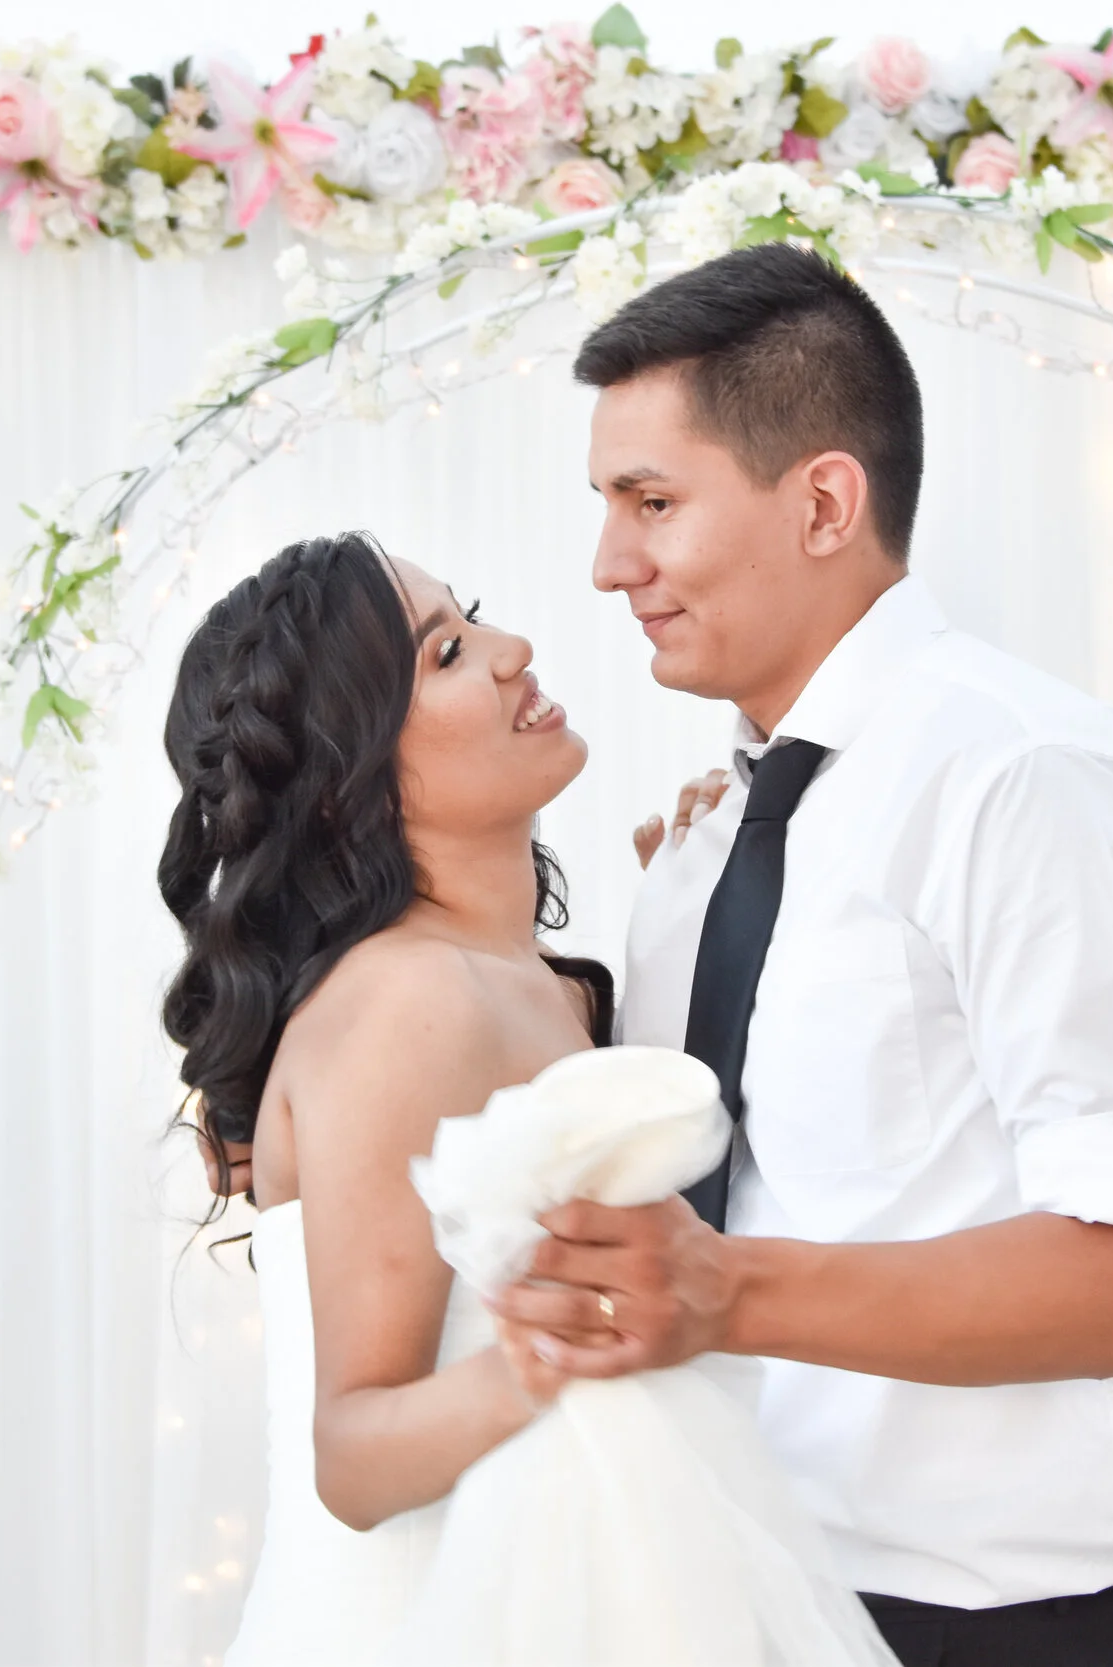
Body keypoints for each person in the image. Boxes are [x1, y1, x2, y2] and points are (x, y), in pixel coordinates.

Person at [480, 242, 1113, 1667]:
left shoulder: (1025, 777)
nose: (609, 565)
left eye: (651, 502)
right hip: (714, 1590)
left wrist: (731, 1288)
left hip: (969, 1625)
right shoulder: (717, 836)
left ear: (825, 503)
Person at [168, 532, 895, 1665]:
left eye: (473, 617)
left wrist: (706, 900)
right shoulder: (404, 1005)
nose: (512, 649)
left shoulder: (546, 987)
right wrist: (550, 1351)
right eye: (447, 653)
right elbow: (351, 1457)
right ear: (343, 785)